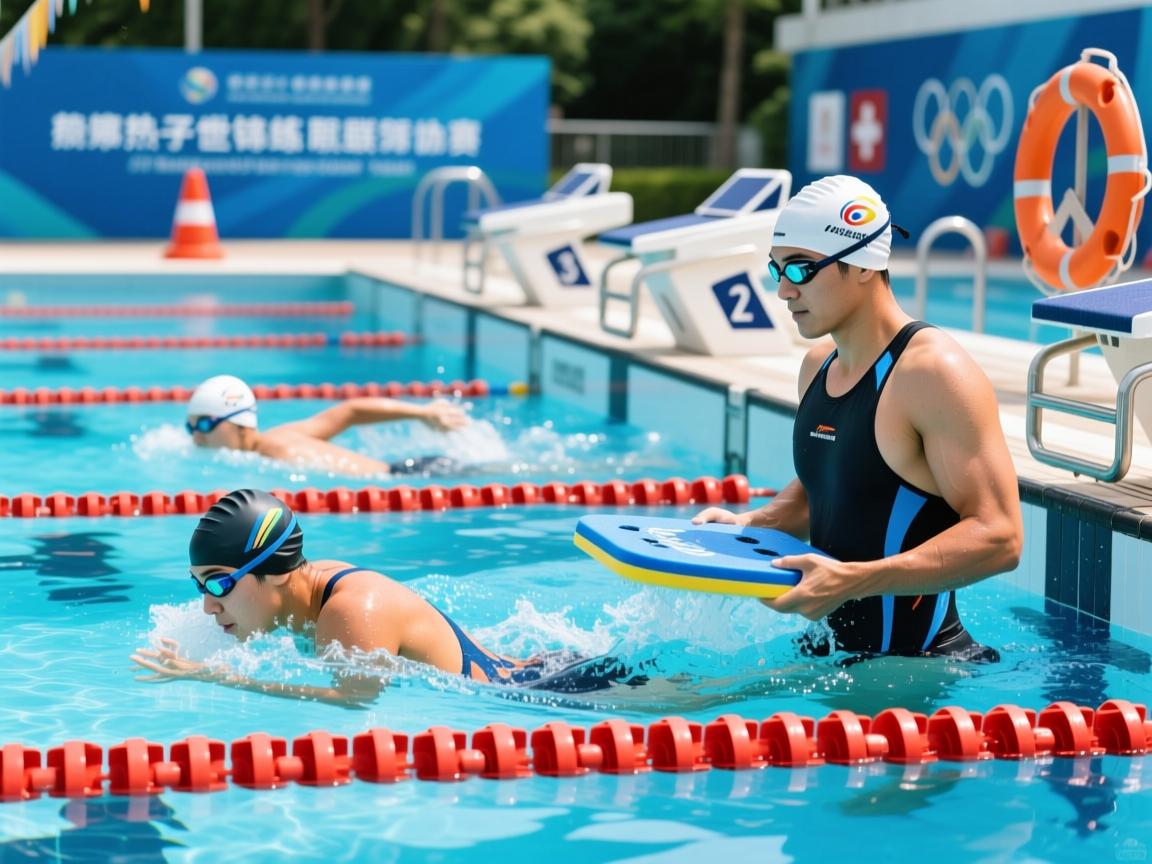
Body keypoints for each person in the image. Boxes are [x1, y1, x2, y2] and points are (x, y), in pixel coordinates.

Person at [693, 174, 1023, 661]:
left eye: (801, 269)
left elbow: (1001, 537)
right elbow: (832, 489)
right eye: (777, 269)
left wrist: (855, 581)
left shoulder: (932, 373)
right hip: (828, 657)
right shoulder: (818, 367)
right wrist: (749, 525)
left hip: (917, 673)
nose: (783, 290)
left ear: (864, 264)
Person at [131, 489, 640, 703]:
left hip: (569, 689)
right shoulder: (307, 587)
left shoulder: (350, 610)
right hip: (542, 670)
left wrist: (217, 677)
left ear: (274, 573)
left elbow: (354, 700)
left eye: (219, 584)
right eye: (199, 586)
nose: (208, 604)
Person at [184, 374, 470, 477]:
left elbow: (350, 411)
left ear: (239, 423)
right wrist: (422, 412)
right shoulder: (281, 434)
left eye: (205, 425)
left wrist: (423, 412)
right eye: (191, 427)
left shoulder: (275, 450)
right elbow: (351, 411)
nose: (197, 437)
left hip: (414, 475)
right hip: (413, 468)